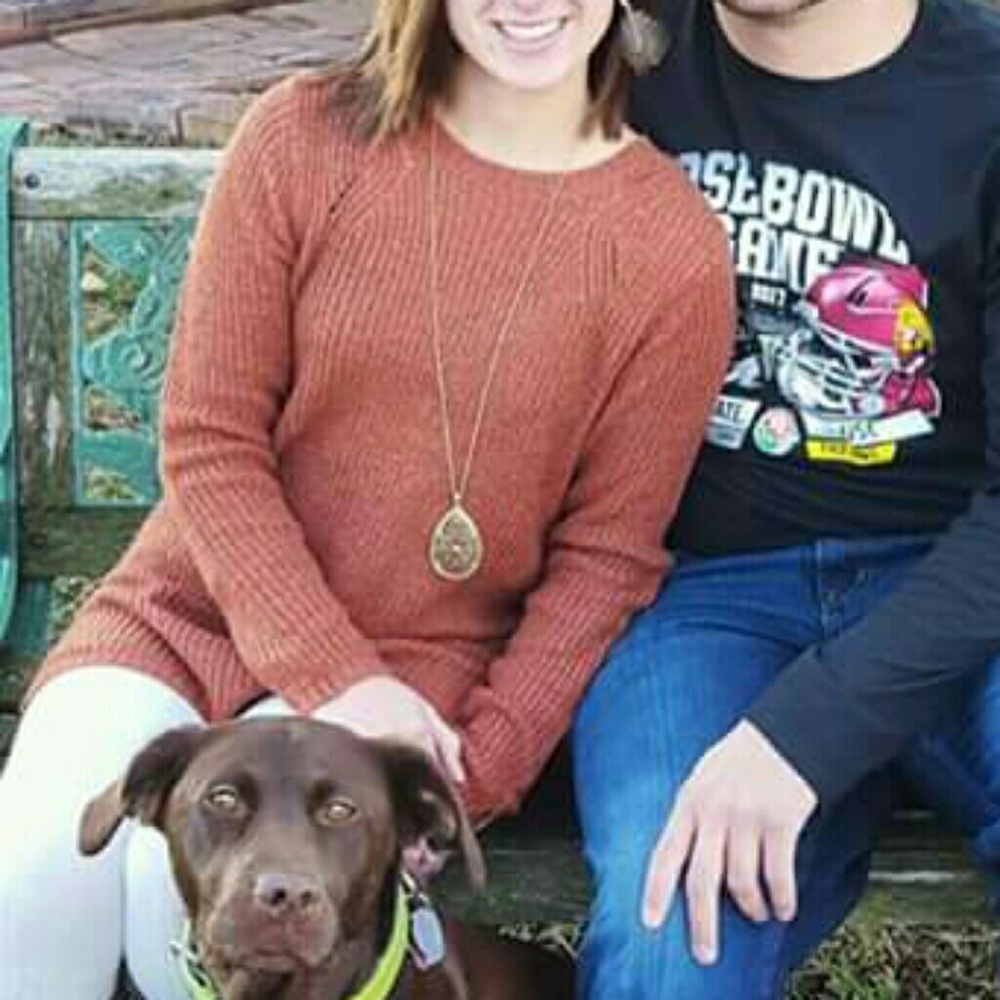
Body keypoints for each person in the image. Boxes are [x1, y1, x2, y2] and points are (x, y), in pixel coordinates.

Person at [0, 1, 734, 998]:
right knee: (36, 877)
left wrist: (471, 771)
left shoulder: (667, 245)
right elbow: (212, 439)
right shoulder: (303, 139)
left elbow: (608, 558)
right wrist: (333, 672)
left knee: (174, 889)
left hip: (413, 671)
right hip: (185, 617)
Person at [572, 0, 1000, 996]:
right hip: (703, 602)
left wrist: (805, 733)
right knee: (670, 928)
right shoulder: (614, 63)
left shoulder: (983, 97)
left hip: (961, 593)